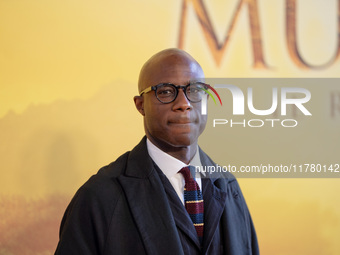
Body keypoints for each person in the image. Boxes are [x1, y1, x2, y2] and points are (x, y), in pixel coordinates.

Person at [55, 48, 259, 255]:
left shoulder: (229, 186)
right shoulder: (98, 198)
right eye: (166, 92)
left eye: (195, 90)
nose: (184, 104)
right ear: (140, 105)